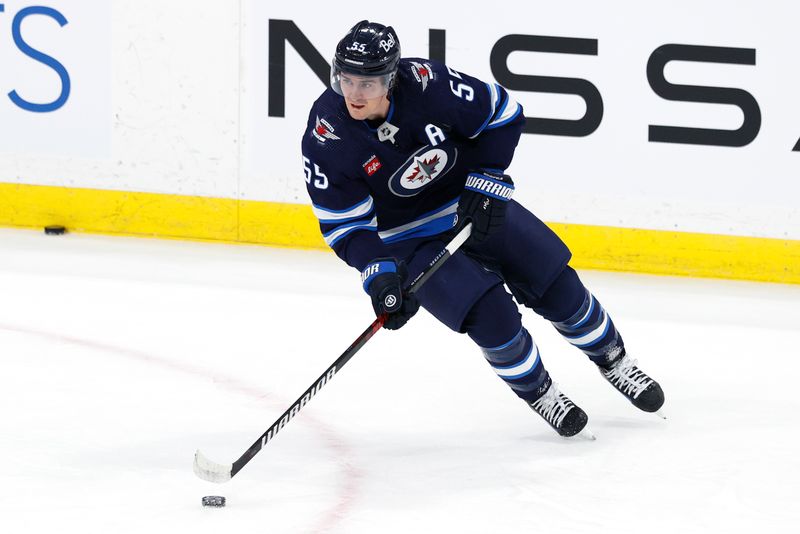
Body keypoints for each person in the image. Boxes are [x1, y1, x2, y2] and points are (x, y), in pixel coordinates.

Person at [300, 20, 664, 437]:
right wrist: (380, 275)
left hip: (472, 202)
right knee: (493, 318)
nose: (353, 93)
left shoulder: (429, 85)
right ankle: (540, 391)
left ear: (391, 77)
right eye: (345, 79)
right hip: (407, 238)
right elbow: (344, 227)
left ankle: (616, 361)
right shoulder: (326, 133)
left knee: (558, 287)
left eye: (366, 83)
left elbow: (504, 114)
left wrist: (487, 180)